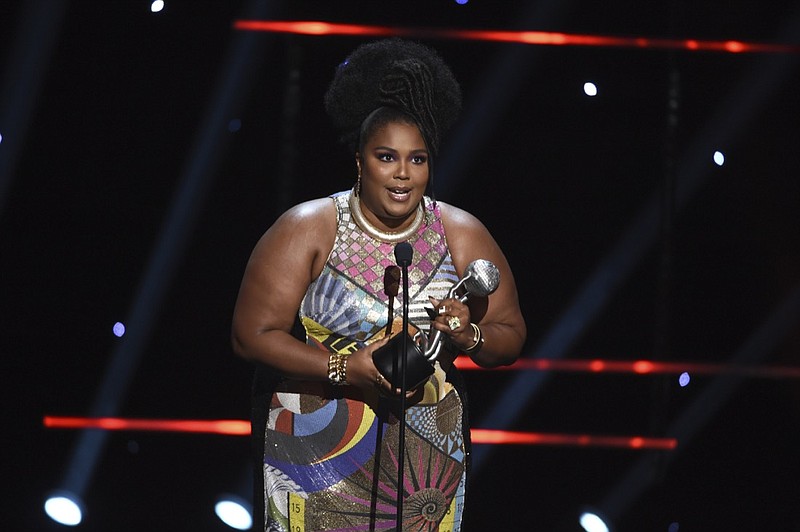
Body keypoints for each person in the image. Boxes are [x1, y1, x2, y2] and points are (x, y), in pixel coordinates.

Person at [232, 38, 526, 532]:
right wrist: (349, 368)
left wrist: (469, 336)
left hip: (424, 465)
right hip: (318, 450)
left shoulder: (460, 232)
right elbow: (251, 337)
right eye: (387, 157)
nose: (403, 175)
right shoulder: (309, 226)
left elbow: (510, 334)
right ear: (360, 160)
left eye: (418, 159)